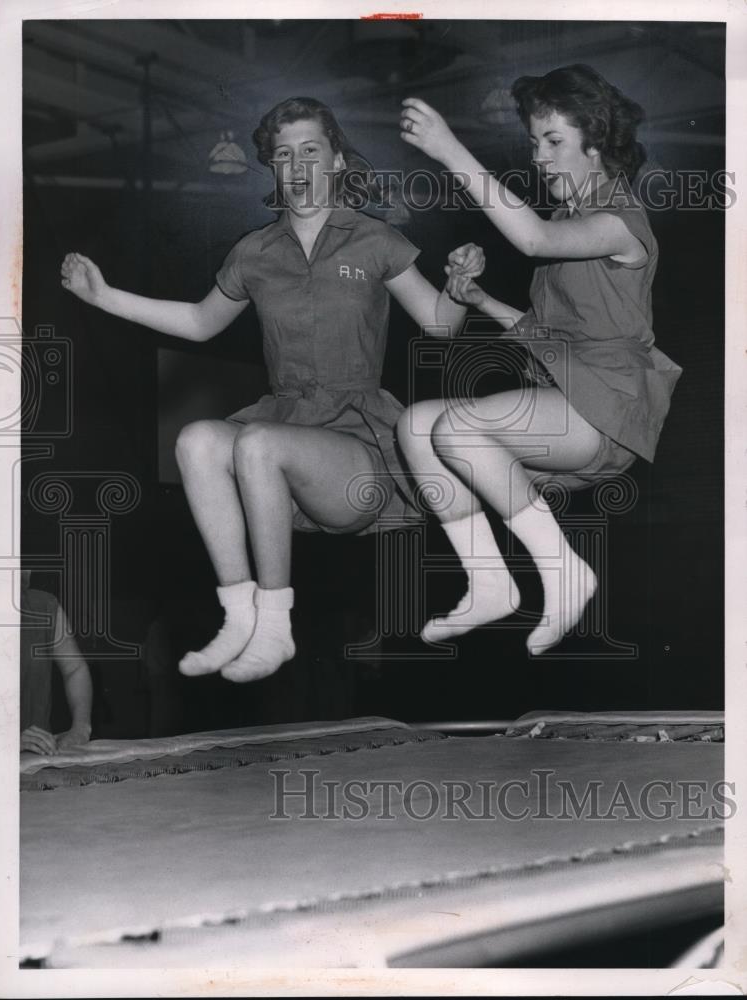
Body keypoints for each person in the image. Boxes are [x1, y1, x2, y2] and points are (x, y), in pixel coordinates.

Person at [60, 97, 482, 683]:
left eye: (311, 150)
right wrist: (103, 297)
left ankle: (276, 626)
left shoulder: (375, 241)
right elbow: (200, 322)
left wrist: (461, 290)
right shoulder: (254, 252)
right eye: (284, 155)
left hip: (356, 453)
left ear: (336, 161)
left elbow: (440, 325)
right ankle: (238, 613)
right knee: (196, 441)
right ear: (275, 169)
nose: (298, 164)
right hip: (284, 430)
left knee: (257, 443)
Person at [396, 64, 682, 654]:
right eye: (534, 143)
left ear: (596, 145)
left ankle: (564, 571)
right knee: (417, 424)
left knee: (457, 428)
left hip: (609, 410)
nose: (540, 157)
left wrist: (450, 149)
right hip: (573, 403)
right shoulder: (568, 224)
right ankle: (490, 581)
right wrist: (478, 299)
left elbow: (530, 239)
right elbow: (546, 335)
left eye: (554, 141)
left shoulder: (619, 222)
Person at [20, 571, 93, 755]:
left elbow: (75, 669)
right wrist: (5, 741)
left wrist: (81, 727)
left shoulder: (44, 606)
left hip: (38, 759)